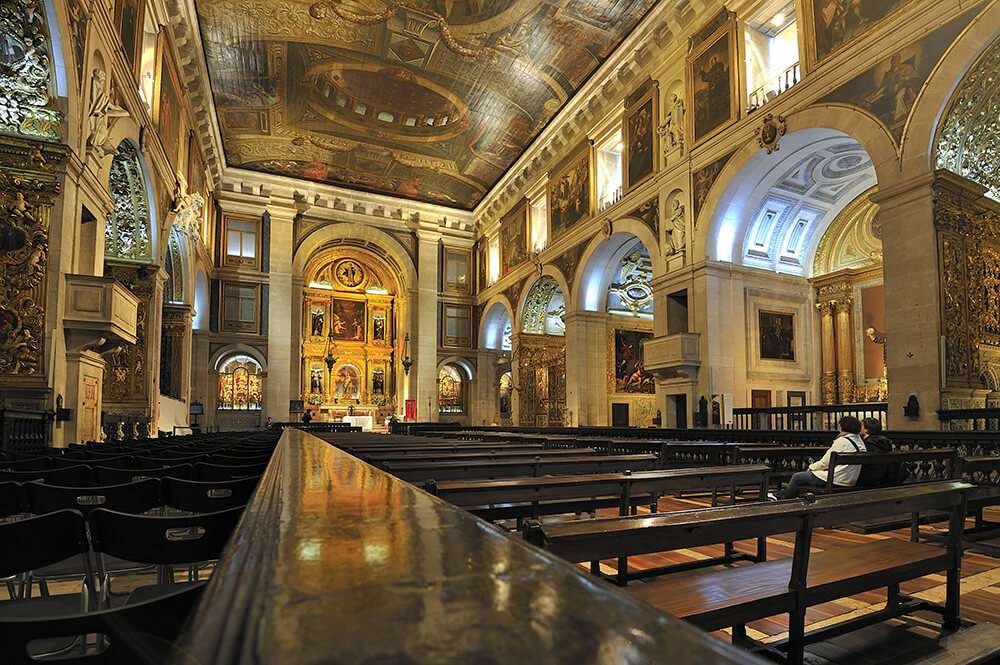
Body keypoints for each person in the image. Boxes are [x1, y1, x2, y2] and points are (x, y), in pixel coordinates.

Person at [777, 416, 866, 500]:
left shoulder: (842, 441)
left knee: (797, 477)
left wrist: (811, 467)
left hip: (836, 479)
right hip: (850, 479)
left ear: (842, 427)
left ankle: (784, 502)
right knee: (802, 478)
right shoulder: (860, 442)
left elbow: (824, 463)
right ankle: (783, 496)